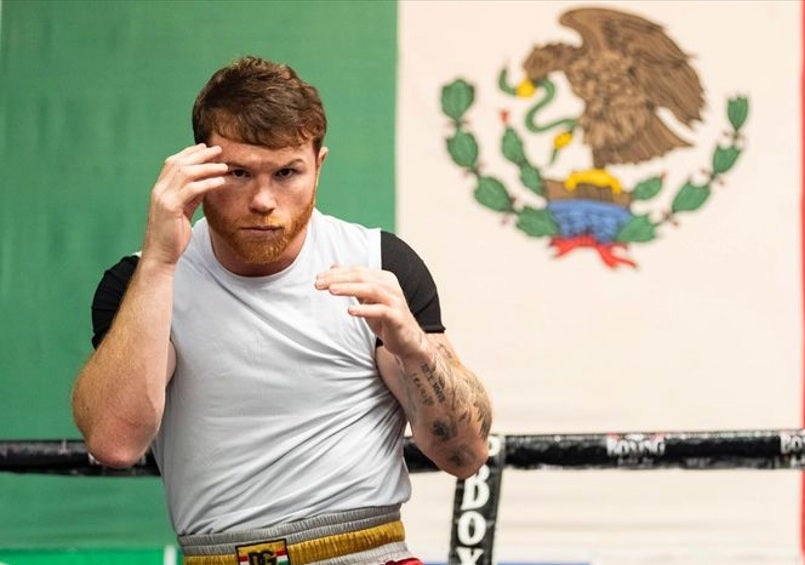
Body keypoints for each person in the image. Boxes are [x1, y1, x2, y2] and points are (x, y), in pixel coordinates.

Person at [71, 56, 492, 565]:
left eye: (287, 172)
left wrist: (415, 349)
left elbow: (464, 456)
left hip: (370, 551)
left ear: (318, 166)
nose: (263, 200)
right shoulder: (143, 282)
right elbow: (115, 442)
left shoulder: (378, 265)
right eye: (239, 173)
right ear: (196, 170)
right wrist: (160, 260)